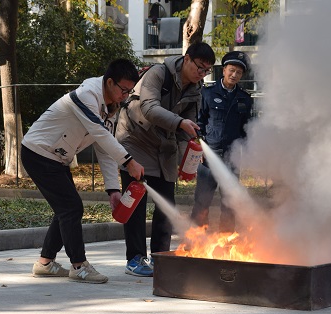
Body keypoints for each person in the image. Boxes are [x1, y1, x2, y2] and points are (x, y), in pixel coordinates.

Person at [21, 58, 145, 284]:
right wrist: (129, 162)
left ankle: (45, 263)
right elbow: (101, 134)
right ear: (110, 82)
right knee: (71, 207)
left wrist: (113, 190)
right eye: (123, 90)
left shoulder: (111, 107)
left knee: (65, 209)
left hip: (57, 157)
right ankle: (79, 266)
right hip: (39, 152)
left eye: (130, 91)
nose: (126, 96)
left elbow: (104, 148)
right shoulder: (87, 95)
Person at [115, 42, 216, 277]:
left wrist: (189, 157)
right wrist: (180, 123)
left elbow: (186, 129)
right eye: (200, 67)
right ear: (187, 59)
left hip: (163, 145)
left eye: (207, 70)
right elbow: (149, 108)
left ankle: (160, 256)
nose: (202, 74)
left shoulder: (195, 89)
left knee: (167, 202)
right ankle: (135, 259)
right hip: (135, 140)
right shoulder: (158, 73)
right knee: (136, 201)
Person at [190, 51, 254, 233]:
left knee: (230, 202)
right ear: (224, 70)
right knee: (202, 200)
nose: (234, 75)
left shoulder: (245, 99)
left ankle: (226, 239)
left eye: (239, 72)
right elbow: (198, 122)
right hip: (208, 156)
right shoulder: (207, 93)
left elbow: (246, 129)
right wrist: (199, 148)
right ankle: (196, 238)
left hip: (232, 157)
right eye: (231, 70)